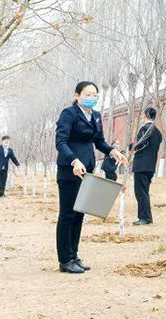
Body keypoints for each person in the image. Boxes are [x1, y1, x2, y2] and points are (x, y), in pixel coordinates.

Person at [54, 82, 128, 274]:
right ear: (77, 95)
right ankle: (65, 259)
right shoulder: (69, 114)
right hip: (70, 169)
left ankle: (74, 256)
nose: (92, 98)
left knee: (80, 212)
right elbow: (60, 141)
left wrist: (112, 151)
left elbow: (99, 141)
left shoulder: (95, 115)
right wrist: (73, 160)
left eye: (95, 95)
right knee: (67, 214)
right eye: (88, 94)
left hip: (87, 168)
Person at [131, 107, 163, 225]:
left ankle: (144, 218)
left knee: (140, 192)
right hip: (150, 166)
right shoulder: (157, 131)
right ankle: (146, 217)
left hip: (141, 165)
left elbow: (140, 144)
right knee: (144, 192)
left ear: (146, 115)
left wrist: (131, 147)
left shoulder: (145, 128)